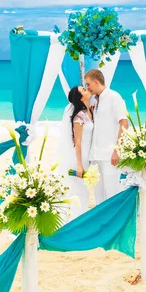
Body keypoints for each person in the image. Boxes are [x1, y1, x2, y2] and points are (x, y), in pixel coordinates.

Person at [85, 69, 129, 204]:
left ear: (96, 81)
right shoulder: (95, 101)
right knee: (98, 196)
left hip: (109, 155)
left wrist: (117, 150)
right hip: (96, 155)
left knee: (112, 193)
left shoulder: (114, 97)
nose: (87, 88)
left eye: (88, 84)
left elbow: (124, 123)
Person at [57, 85, 94, 219]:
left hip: (88, 155)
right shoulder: (79, 116)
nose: (86, 89)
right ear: (81, 98)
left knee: (83, 190)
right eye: (83, 90)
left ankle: (79, 218)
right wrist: (79, 164)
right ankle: (72, 220)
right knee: (77, 190)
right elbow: (77, 141)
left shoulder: (89, 110)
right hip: (79, 156)